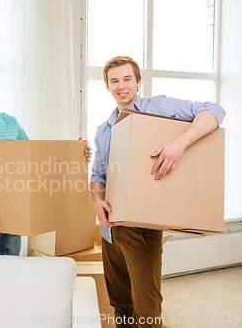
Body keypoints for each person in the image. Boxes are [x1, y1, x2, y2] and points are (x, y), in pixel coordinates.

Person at [90, 56, 225, 328]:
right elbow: (98, 175)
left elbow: (214, 111)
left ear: (138, 81)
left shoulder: (158, 107)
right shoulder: (103, 129)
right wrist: (97, 200)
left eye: (127, 79)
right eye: (114, 81)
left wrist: (179, 144)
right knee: (120, 304)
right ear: (107, 86)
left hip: (142, 228)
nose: (121, 86)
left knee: (146, 310)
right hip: (110, 229)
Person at [0, 67, 92, 256]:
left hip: (12, 219)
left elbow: (35, 158)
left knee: (11, 278)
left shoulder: (11, 123)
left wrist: (75, 154)